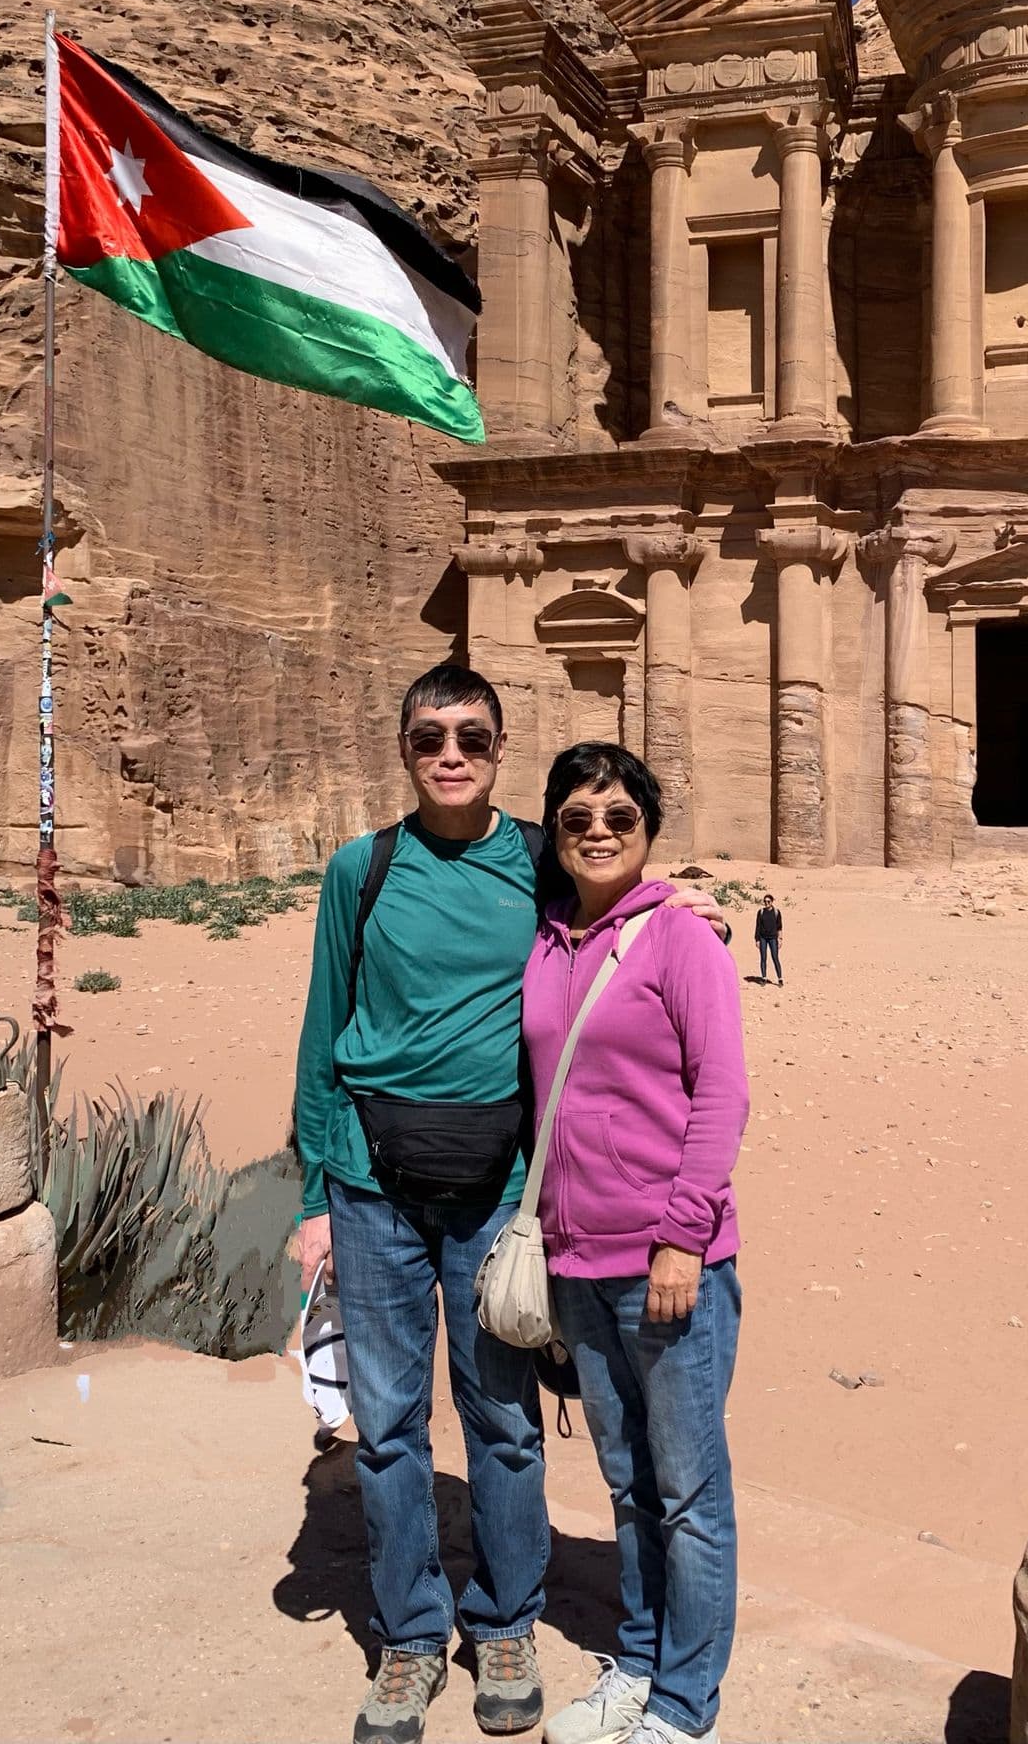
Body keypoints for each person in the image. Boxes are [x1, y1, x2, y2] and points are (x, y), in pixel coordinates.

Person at [294, 665, 726, 1744]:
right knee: (389, 1428)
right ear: (403, 747)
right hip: (374, 1189)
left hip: (496, 1196)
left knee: (504, 1420)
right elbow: (320, 1032)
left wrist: (682, 899)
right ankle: (406, 1638)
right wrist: (314, 1194)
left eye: (473, 737)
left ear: (497, 746)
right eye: (430, 735)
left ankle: (506, 1623)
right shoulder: (363, 868)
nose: (451, 752)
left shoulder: (537, 853)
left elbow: (610, 894)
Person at [523, 743, 749, 1744]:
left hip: (667, 1261)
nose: (600, 829)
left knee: (690, 1494)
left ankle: (686, 1705)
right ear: (555, 833)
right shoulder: (545, 940)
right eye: (578, 816)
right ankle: (645, 1660)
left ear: (649, 825)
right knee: (628, 1483)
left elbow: (723, 1091)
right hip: (575, 1263)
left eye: (619, 813)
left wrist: (682, 1236)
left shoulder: (679, 938)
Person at [753, 895, 783, 986]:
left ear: (772, 902)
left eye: (768, 901)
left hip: (773, 938)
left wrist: (780, 939)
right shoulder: (761, 912)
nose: (766, 903)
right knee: (763, 958)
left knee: (775, 957)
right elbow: (758, 926)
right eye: (765, 901)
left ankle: (780, 979)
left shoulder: (776, 912)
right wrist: (757, 939)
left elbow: (779, 927)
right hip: (763, 938)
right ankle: (764, 978)